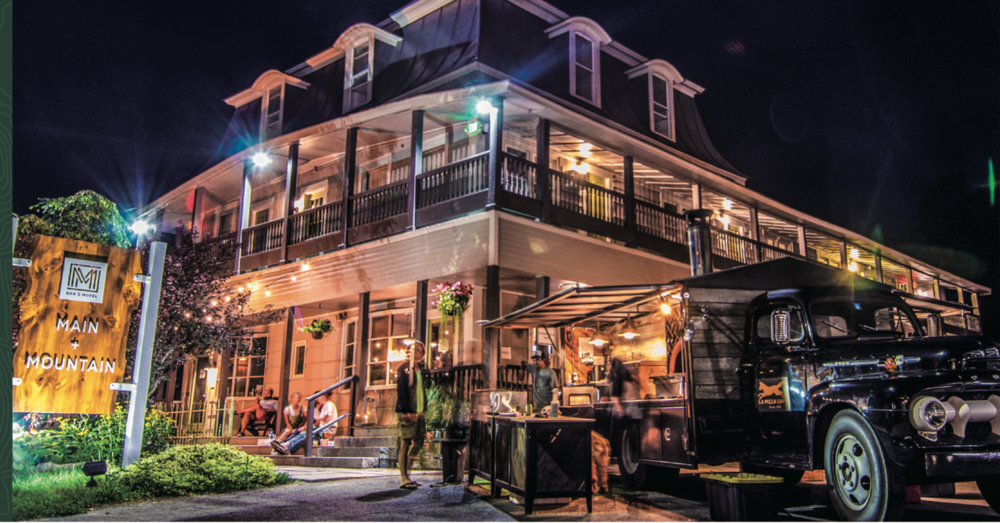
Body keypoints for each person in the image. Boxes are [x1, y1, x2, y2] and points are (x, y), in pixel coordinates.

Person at [395, 342, 427, 490]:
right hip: (408, 410)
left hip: (420, 410)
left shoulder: (421, 369)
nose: (417, 353)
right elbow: (401, 390)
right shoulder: (404, 368)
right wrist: (406, 409)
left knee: (419, 441)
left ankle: (408, 473)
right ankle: (403, 477)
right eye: (415, 350)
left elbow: (425, 387)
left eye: (419, 350)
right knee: (406, 441)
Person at [270, 390, 337, 455]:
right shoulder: (323, 406)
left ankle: (285, 445)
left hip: (328, 429)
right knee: (303, 434)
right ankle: (285, 445)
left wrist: (316, 417)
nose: (317, 399)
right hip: (321, 429)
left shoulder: (329, 404)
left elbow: (327, 420)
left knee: (306, 435)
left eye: (319, 397)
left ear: (323, 397)